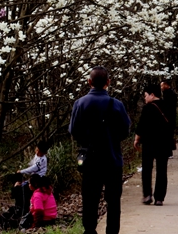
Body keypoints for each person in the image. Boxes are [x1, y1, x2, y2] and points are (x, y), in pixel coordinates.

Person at [69, 66, 131, 234]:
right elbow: (125, 131)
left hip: (90, 160)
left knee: (90, 199)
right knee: (113, 201)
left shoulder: (80, 103)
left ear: (89, 82)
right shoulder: (116, 104)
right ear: (108, 83)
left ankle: (90, 230)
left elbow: (74, 131)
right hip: (112, 159)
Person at [133, 84, 172, 206]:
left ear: (152, 95)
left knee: (147, 168)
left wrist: (137, 139)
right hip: (164, 142)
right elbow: (172, 125)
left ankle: (147, 195)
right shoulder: (168, 106)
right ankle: (159, 198)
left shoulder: (148, 108)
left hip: (149, 142)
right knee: (162, 170)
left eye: (145, 95)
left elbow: (141, 125)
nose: (145, 98)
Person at [160, 79, 177, 151]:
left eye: (162, 85)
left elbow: (168, 106)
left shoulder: (169, 94)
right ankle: (169, 150)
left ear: (166, 85)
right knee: (169, 134)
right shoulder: (168, 93)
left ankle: (169, 151)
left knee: (168, 134)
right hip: (170, 116)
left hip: (169, 116)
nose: (161, 87)